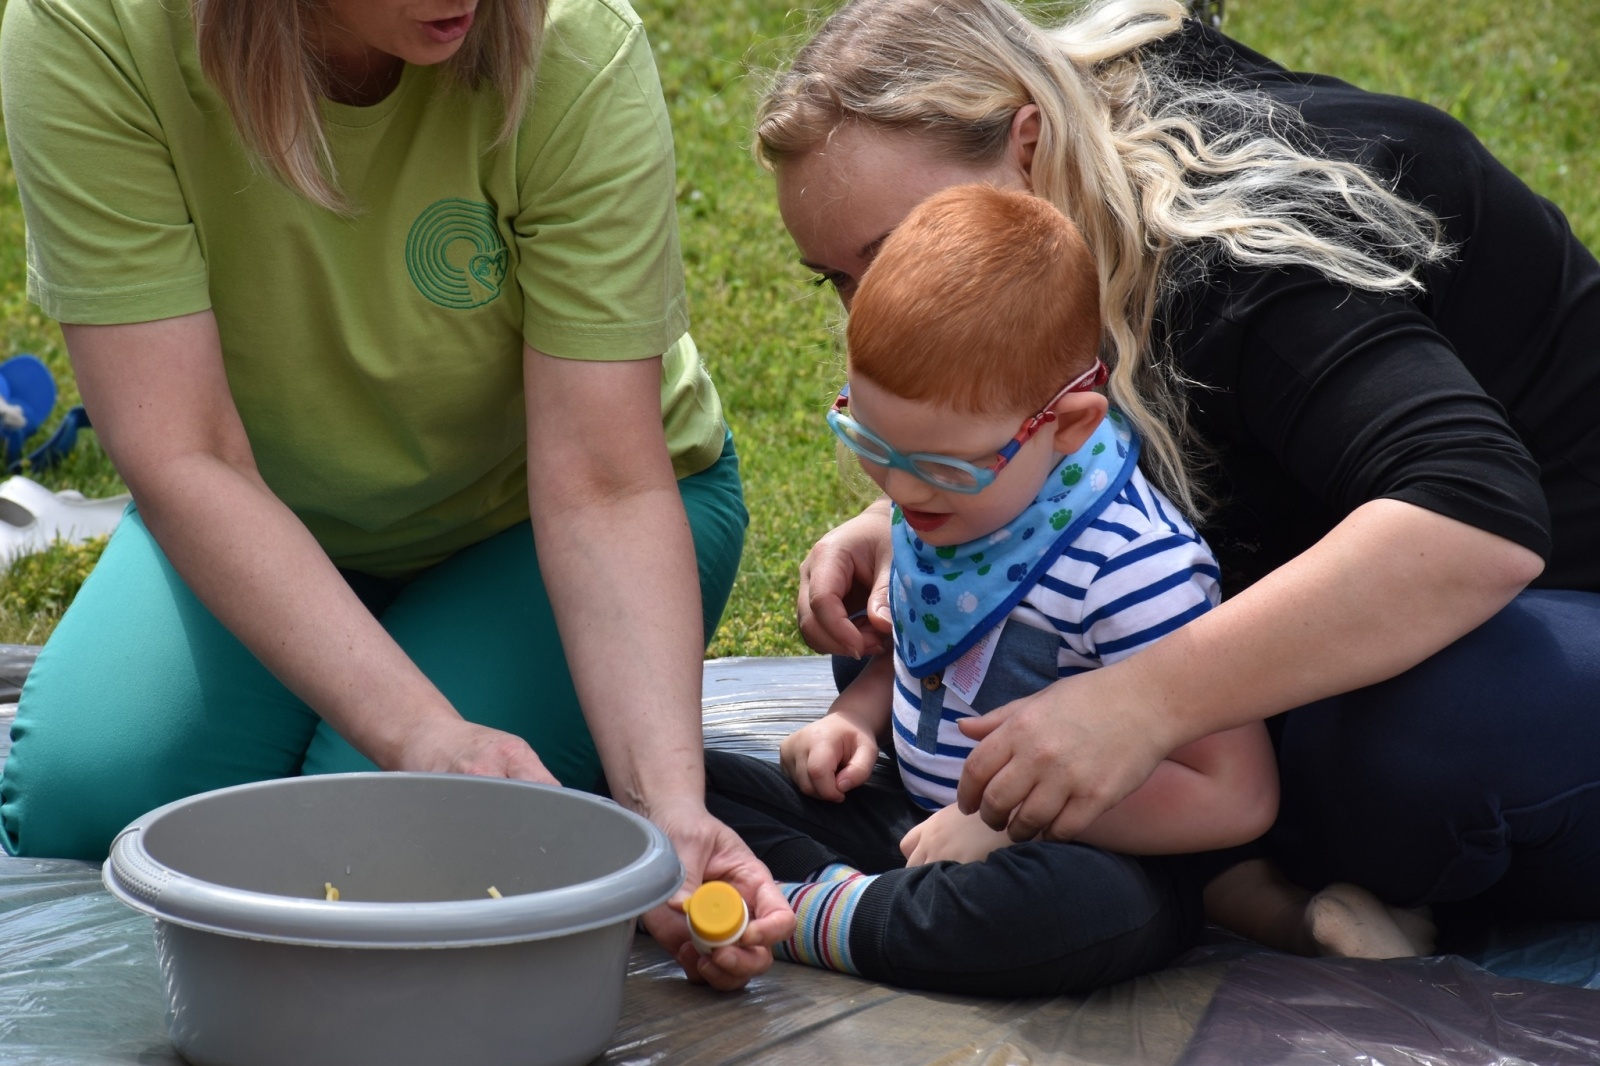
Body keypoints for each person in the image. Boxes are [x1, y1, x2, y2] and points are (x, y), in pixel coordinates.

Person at [762, 0, 1600, 944]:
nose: (876, 307)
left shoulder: (1243, 255)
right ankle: (1217, 849)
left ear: (1026, 144)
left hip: (1547, 608)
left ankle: (1231, 848)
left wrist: (1142, 704)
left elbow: (1474, 519)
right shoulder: (1068, 202)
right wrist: (924, 505)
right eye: (837, 279)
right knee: (910, 610)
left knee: (1414, 747)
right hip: (1308, 569)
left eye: (890, 250)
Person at [0, 0, 790, 988]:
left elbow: (602, 483)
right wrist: (424, 727)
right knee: (87, 801)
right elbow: (185, 453)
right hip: (258, 499)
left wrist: (667, 808)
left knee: (373, 853)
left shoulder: (573, 41)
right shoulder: (89, 27)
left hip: (544, 519)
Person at [708, 182, 1279, 996]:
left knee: (1069, 911)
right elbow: (930, 642)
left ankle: (786, 914)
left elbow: (1235, 798)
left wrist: (1000, 825)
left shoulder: (1132, 567)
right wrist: (855, 718)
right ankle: (862, 906)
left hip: (1076, 855)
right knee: (689, 787)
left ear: (1069, 425)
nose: (901, 491)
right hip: (918, 817)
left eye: (940, 465)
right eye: (873, 443)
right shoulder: (948, 486)